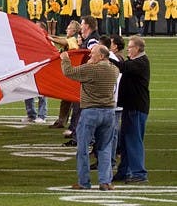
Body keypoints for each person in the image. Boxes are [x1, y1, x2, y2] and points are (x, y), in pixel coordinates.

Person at [60, 44, 119, 191]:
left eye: (93, 54)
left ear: (101, 56)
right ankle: (105, 181)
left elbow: (69, 72)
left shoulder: (91, 69)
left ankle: (84, 182)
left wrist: (65, 59)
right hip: (108, 112)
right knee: (105, 148)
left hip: (91, 112)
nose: (90, 56)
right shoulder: (114, 70)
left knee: (83, 148)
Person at [110, 35, 150, 184]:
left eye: (131, 46)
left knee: (133, 140)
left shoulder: (141, 62)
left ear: (137, 48)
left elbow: (123, 67)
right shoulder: (136, 61)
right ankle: (124, 171)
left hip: (136, 107)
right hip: (130, 107)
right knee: (126, 141)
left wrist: (106, 57)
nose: (128, 48)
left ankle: (139, 173)